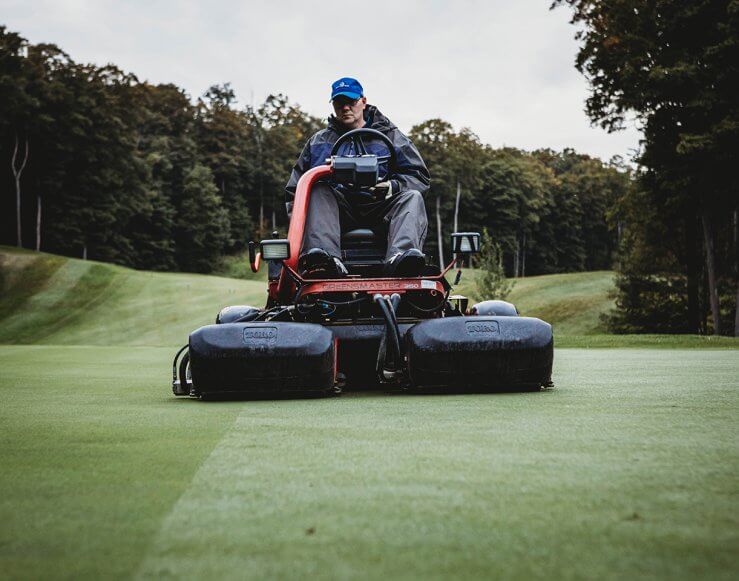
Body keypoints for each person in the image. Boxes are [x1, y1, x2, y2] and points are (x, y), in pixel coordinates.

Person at [285, 77, 430, 278]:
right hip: (336, 213)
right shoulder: (318, 143)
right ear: (333, 105)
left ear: (363, 101)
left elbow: (418, 176)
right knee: (315, 189)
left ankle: (401, 258)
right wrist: (300, 227)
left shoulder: (392, 136)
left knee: (412, 197)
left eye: (351, 102)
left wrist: (392, 186)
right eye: (339, 103)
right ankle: (325, 260)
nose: (345, 108)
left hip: (380, 208)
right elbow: (295, 191)